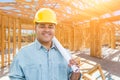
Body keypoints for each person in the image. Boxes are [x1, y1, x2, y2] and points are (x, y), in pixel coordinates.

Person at [9, 8, 81, 80]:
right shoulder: (23, 54)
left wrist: (76, 72)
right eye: (42, 26)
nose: (46, 30)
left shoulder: (66, 55)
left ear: (54, 29)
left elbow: (73, 78)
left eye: (50, 26)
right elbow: (15, 78)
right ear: (35, 28)